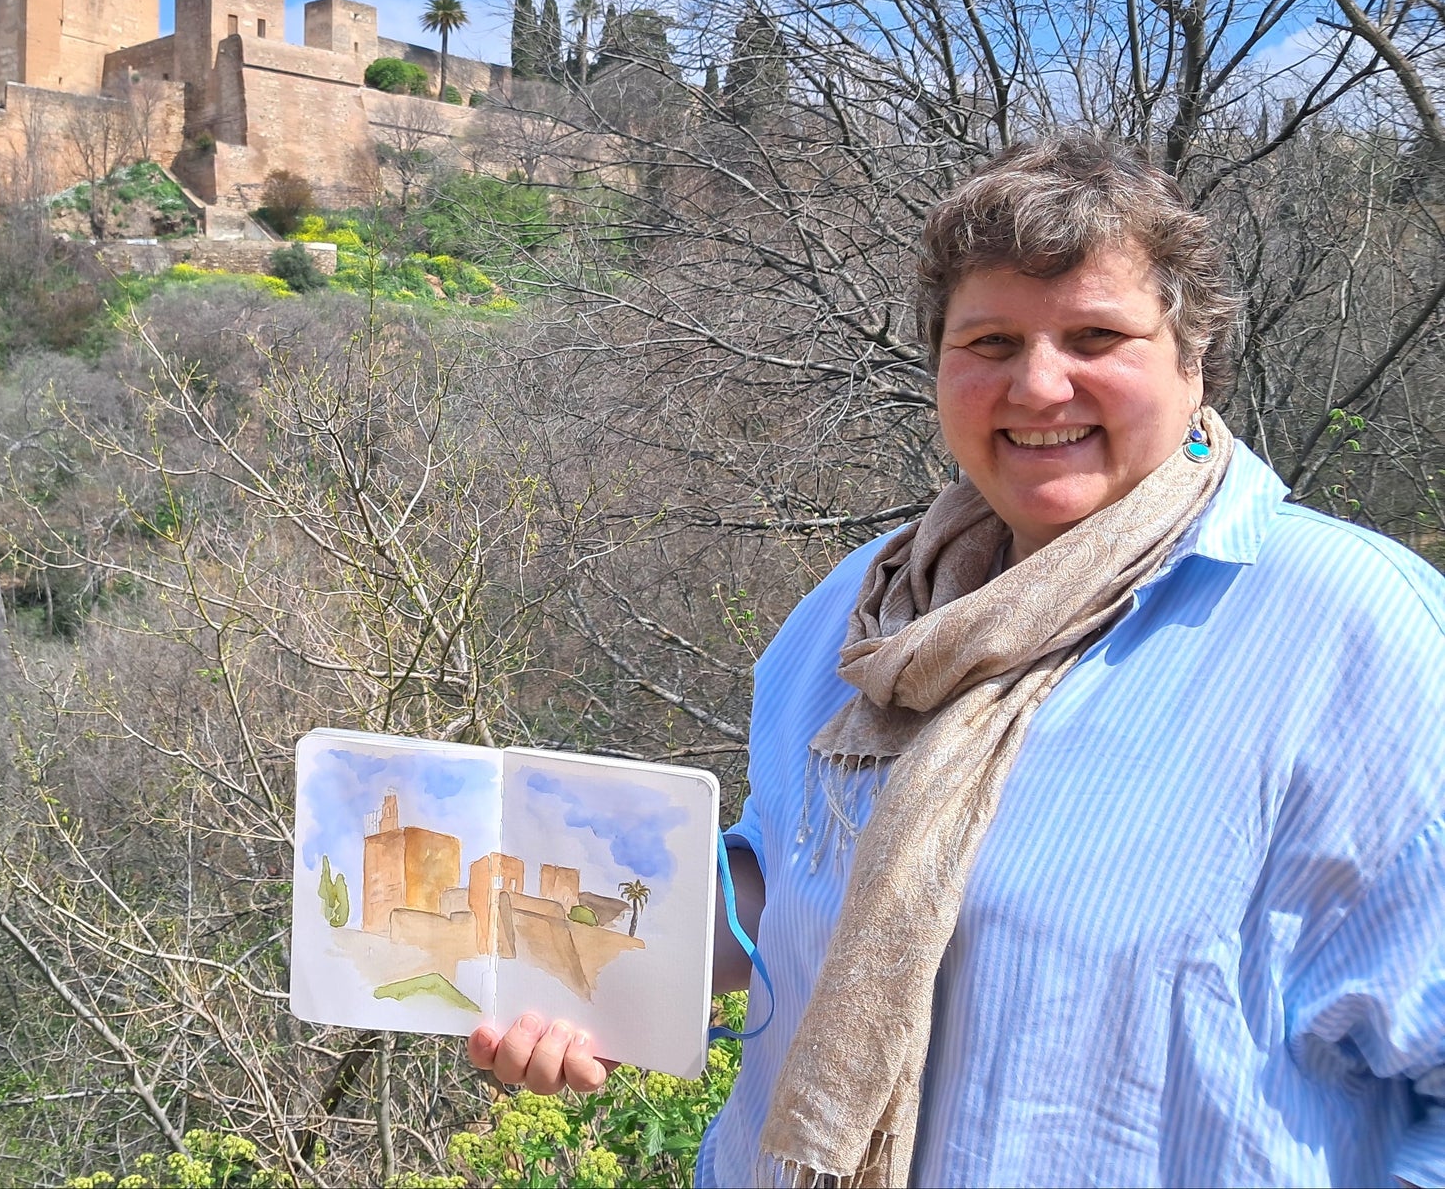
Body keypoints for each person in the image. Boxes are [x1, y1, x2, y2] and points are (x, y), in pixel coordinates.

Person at [468, 134, 1445, 1187]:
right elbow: (788, 875)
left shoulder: (1348, 629)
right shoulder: (858, 615)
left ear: (1189, 354)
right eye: (987, 342)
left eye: (1094, 334)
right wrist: (574, 971)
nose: (1037, 385)